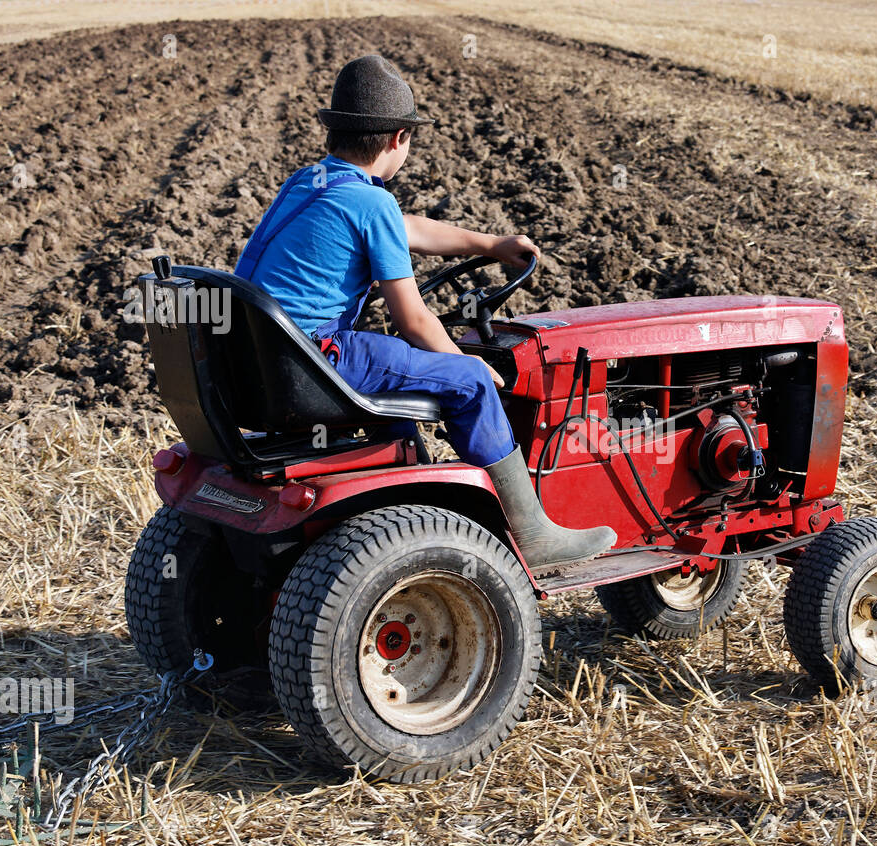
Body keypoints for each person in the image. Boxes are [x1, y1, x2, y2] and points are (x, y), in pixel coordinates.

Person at [235, 55, 613, 573]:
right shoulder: (372, 206)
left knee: (418, 372)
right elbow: (413, 321)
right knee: (468, 381)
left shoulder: (313, 181)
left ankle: (419, 503)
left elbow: (404, 225)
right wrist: (467, 363)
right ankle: (532, 534)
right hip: (316, 358)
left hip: (267, 356)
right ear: (398, 139)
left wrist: (489, 244)